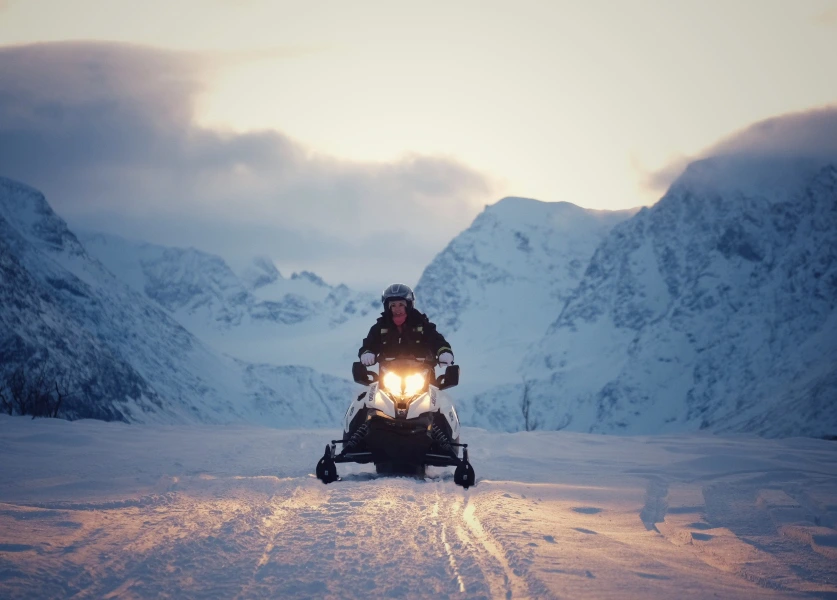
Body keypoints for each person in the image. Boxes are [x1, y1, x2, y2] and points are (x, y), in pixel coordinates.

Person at [358, 283, 453, 367]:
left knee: (440, 382)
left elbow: (436, 340)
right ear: (387, 307)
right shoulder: (380, 327)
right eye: (393, 305)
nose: (397, 309)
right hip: (388, 375)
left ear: (409, 305)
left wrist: (444, 352)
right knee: (370, 382)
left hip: (423, 374)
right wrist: (367, 354)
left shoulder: (422, 325)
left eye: (401, 305)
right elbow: (369, 345)